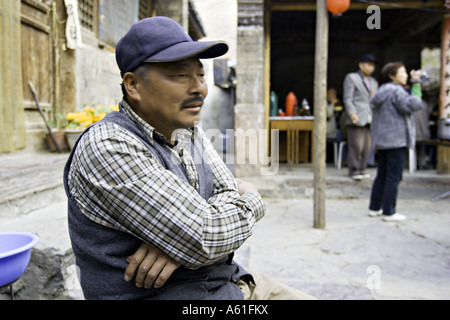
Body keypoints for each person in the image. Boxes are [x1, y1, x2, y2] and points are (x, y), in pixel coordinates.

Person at [64, 16, 314, 300]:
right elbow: (205, 235)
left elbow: (218, 202)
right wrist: (252, 200)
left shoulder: (187, 131)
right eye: (180, 75)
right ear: (133, 85)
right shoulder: (109, 145)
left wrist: (179, 243)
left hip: (229, 284)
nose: (199, 89)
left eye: (201, 75)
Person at [368, 62, 423, 222]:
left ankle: (374, 207)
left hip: (383, 140)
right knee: (394, 176)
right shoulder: (396, 91)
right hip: (397, 140)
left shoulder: (382, 91)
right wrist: (417, 84)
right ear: (392, 76)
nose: (406, 75)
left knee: (382, 175)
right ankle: (389, 211)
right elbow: (413, 105)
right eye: (403, 72)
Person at [343, 54, 379, 180]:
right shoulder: (352, 78)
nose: (371, 68)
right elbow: (348, 98)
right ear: (361, 65)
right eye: (368, 64)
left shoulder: (374, 82)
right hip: (357, 115)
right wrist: (352, 113)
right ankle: (354, 169)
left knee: (366, 146)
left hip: (369, 116)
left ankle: (362, 169)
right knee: (356, 144)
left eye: (373, 65)